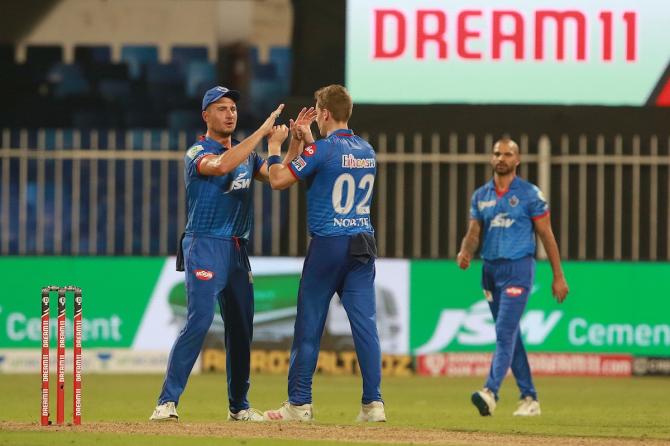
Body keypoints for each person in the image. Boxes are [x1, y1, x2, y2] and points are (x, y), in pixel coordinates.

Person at [149, 86, 285, 422]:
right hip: (204, 244)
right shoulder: (197, 152)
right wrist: (261, 132)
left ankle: (238, 406)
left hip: (237, 248)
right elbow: (222, 165)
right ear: (206, 115)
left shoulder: (248, 157)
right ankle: (166, 402)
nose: (230, 114)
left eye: (233, 109)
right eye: (221, 108)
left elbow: (279, 178)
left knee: (241, 328)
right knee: (199, 319)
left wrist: (285, 144)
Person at [261, 84, 386, 422]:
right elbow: (332, 166)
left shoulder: (322, 151)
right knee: (365, 327)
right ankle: (373, 405)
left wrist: (277, 147)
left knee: (309, 324)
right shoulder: (367, 150)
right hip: (362, 243)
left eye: (318, 109)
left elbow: (278, 179)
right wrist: (309, 141)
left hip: (329, 244)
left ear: (325, 114)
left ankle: (299, 405)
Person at [456, 137, 569, 417]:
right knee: (511, 335)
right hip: (490, 271)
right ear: (491, 158)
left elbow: (546, 234)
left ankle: (490, 392)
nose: (501, 158)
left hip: (518, 269)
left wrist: (558, 275)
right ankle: (529, 397)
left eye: (508, 154)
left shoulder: (530, 194)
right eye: (497, 153)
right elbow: (474, 231)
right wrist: (465, 251)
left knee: (504, 332)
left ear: (517, 160)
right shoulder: (481, 195)